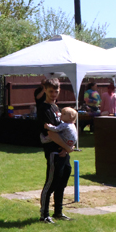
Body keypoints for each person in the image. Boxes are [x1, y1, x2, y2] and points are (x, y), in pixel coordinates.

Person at [36, 78, 75, 224]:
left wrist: (66, 148)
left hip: (63, 151)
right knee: (51, 183)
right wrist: (67, 148)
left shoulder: (56, 108)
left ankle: (58, 211)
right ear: (45, 90)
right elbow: (51, 134)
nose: (53, 94)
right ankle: (44, 215)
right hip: (53, 151)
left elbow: (64, 130)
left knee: (62, 181)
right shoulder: (44, 109)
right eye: (51, 91)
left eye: (56, 91)